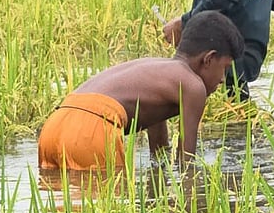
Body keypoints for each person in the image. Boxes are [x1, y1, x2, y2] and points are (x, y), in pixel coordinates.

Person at [38, 10, 244, 173]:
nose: (222, 79)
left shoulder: (159, 75)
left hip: (56, 124)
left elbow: (158, 156)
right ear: (208, 59)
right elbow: (186, 164)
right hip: (91, 131)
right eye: (225, 68)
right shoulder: (193, 86)